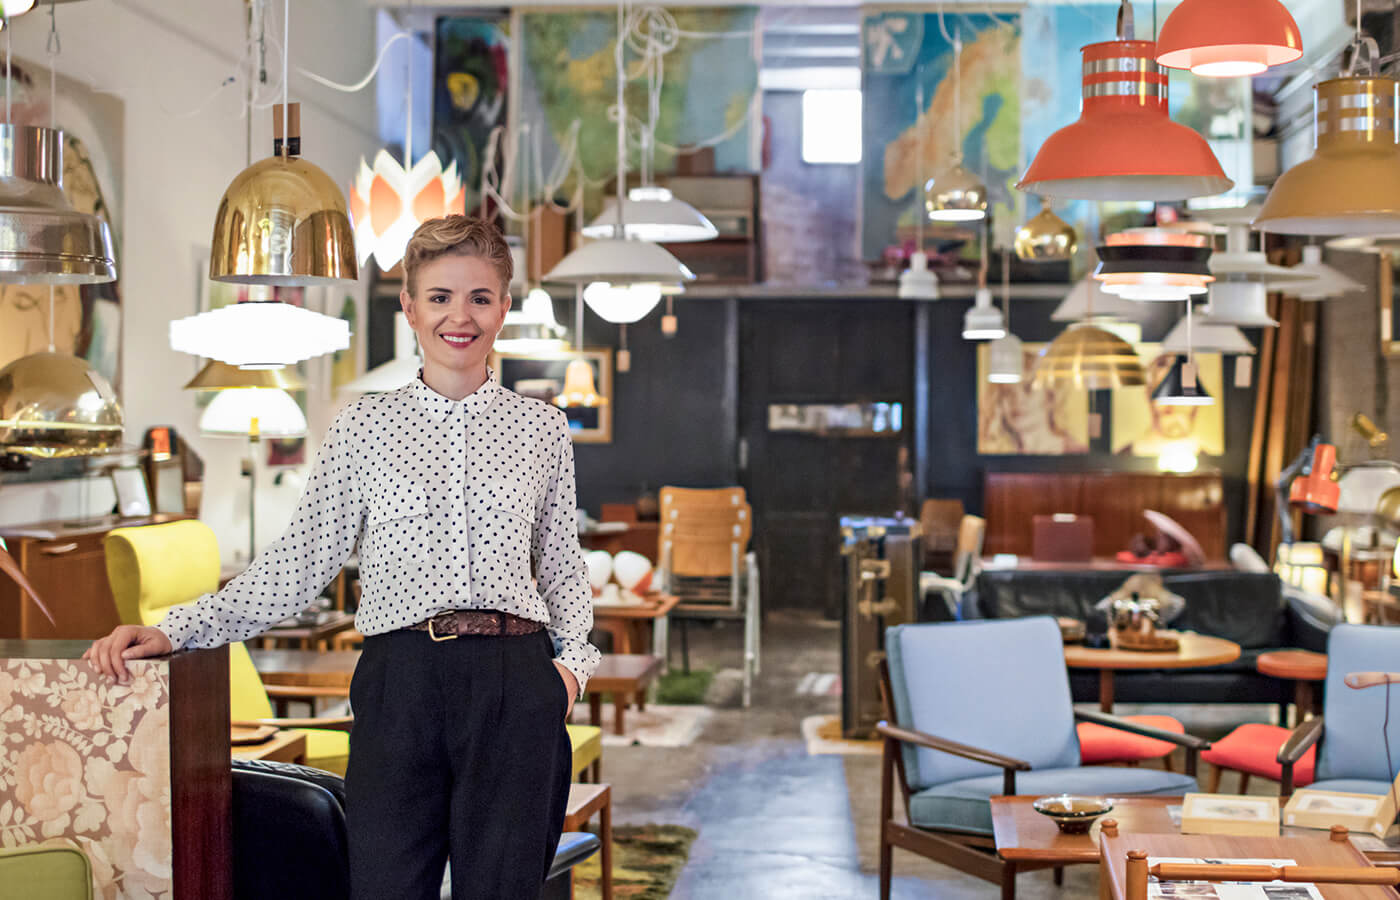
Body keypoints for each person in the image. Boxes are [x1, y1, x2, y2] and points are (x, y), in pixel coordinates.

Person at [84, 215, 600, 900]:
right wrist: (177, 629)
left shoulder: (541, 427)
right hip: (399, 682)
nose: (460, 316)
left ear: (503, 308)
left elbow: (562, 566)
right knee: (384, 887)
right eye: (440, 297)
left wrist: (569, 674)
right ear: (410, 308)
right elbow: (299, 562)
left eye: (480, 297)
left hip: (516, 682)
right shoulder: (363, 426)